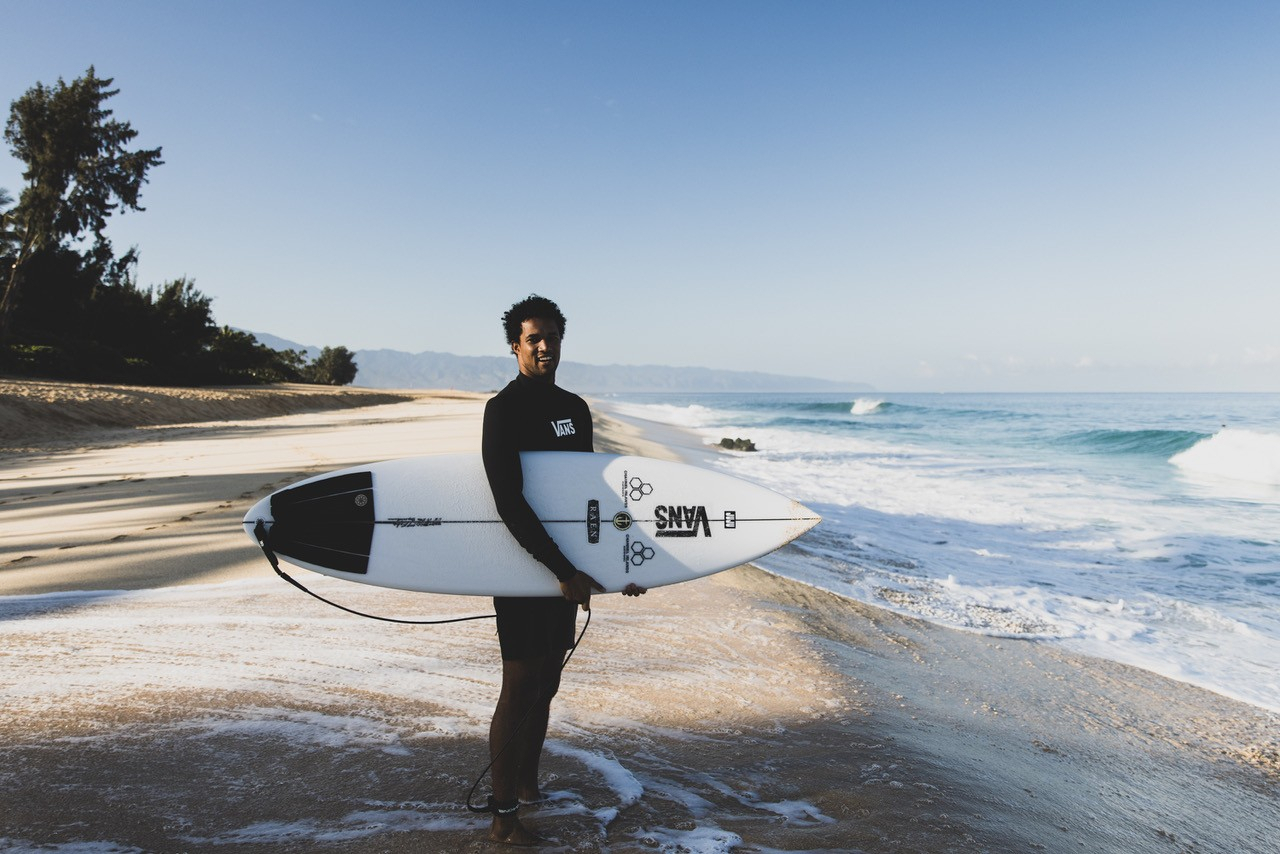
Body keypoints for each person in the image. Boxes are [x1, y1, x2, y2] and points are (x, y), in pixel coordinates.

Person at [480, 294, 644, 846]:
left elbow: (588, 503)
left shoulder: (575, 410)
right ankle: (503, 817)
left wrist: (616, 567)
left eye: (553, 336)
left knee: (548, 679)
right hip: (524, 562)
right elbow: (508, 501)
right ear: (515, 346)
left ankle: (527, 784)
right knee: (520, 681)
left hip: (566, 567)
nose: (546, 346)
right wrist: (560, 568)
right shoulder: (503, 410)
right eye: (534, 338)